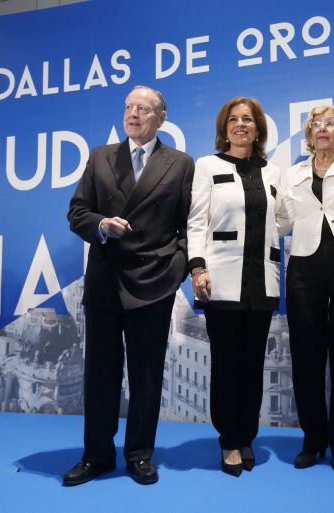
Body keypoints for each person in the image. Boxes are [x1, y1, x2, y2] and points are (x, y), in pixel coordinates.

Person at [64, 86, 194, 486]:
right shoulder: (100, 156)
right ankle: (97, 455)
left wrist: (176, 269)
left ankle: (139, 454)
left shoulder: (181, 163)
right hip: (106, 280)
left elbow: (189, 225)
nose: (133, 114)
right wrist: (101, 226)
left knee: (146, 374)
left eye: (143, 108)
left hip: (154, 283)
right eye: (128, 107)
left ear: (161, 117)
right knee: (100, 375)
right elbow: (77, 212)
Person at [187, 97, 287, 477]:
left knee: (253, 365)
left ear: (258, 128)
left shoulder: (273, 171)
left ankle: (247, 435)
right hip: (221, 281)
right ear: (224, 127)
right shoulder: (207, 166)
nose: (240, 124)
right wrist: (197, 267)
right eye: (234, 119)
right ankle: (229, 439)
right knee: (227, 365)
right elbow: (197, 220)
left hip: (262, 281)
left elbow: (283, 217)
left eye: (247, 119)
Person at [280, 106, 334, 472]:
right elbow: (279, 220)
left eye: (329, 123)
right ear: (308, 136)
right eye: (315, 125)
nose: (321, 129)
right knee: (306, 358)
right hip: (304, 269)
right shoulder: (292, 173)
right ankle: (313, 440)